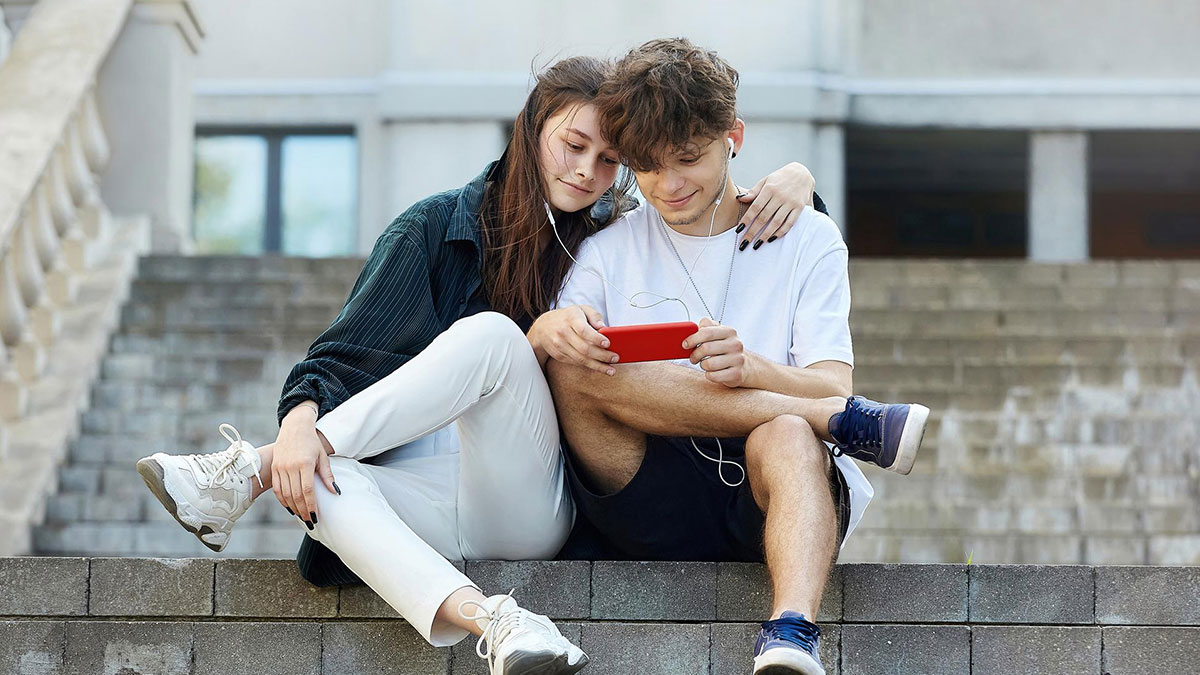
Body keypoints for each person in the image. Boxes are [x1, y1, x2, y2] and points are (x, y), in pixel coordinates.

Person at [134, 54, 821, 675]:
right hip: (425, 490)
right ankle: (493, 618)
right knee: (322, 475)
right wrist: (297, 422)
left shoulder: (613, 236)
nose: (587, 171)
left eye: (609, 160)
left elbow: (709, 199)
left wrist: (798, 180)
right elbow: (342, 353)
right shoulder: (435, 229)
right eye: (573, 145)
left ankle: (243, 471)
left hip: (534, 497)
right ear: (530, 129)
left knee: (493, 337)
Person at [546, 39, 930, 675]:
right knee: (572, 363)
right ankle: (846, 424)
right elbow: (568, 363)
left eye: (688, 159)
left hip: (769, 491)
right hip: (648, 490)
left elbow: (830, 379)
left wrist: (751, 370)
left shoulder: (805, 237)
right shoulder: (608, 248)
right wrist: (554, 330)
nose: (668, 186)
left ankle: (791, 634)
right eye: (645, 166)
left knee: (784, 429)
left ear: (734, 137)